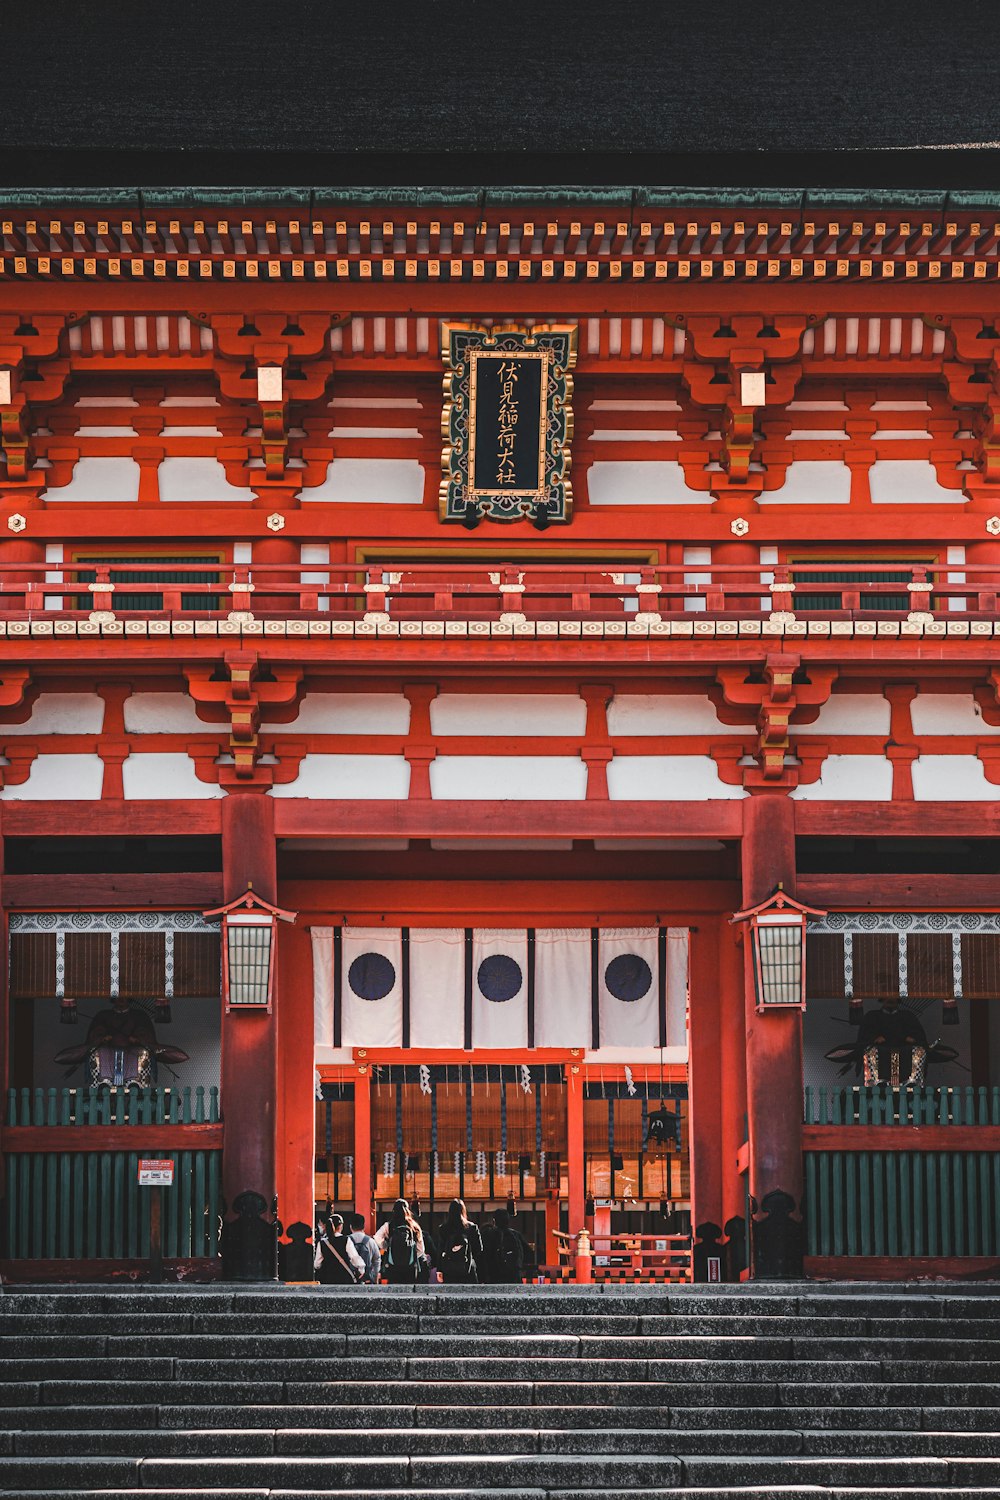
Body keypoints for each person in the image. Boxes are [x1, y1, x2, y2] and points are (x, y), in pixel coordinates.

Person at [373, 1198, 425, 1285]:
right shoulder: (414, 1226)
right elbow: (421, 1249)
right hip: (410, 1266)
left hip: (392, 1265)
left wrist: (387, 1247)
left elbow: (377, 1237)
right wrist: (413, 1255)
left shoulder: (388, 1225)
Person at [436, 1198, 483, 1284]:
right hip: (468, 1268)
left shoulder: (443, 1228)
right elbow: (479, 1249)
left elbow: (440, 1250)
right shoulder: (472, 1227)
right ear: (463, 1210)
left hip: (448, 1269)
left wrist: (439, 1270)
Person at [314, 1212, 365, 1285]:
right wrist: (361, 1269)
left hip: (327, 1279)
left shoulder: (322, 1243)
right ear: (341, 1226)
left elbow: (317, 1264)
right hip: (344, 1279)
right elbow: (354, 1258)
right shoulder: (346, 1240)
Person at [483, 1207, 530, 1284]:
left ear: (494, 1220)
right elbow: (528, 1253)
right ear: (508, 1221)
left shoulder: (489, 1235)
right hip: (514, 1275)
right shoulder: (516, 1235)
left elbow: (485, 1255)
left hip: (495, 1276)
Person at [349, 1211, 381, 1285]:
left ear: (350, 1226)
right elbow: (377, 1261)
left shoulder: (346, 1241)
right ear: (364, 1226)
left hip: (350, 1279)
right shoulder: (371, 1241)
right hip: (367, 1280)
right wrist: (375, 1278)